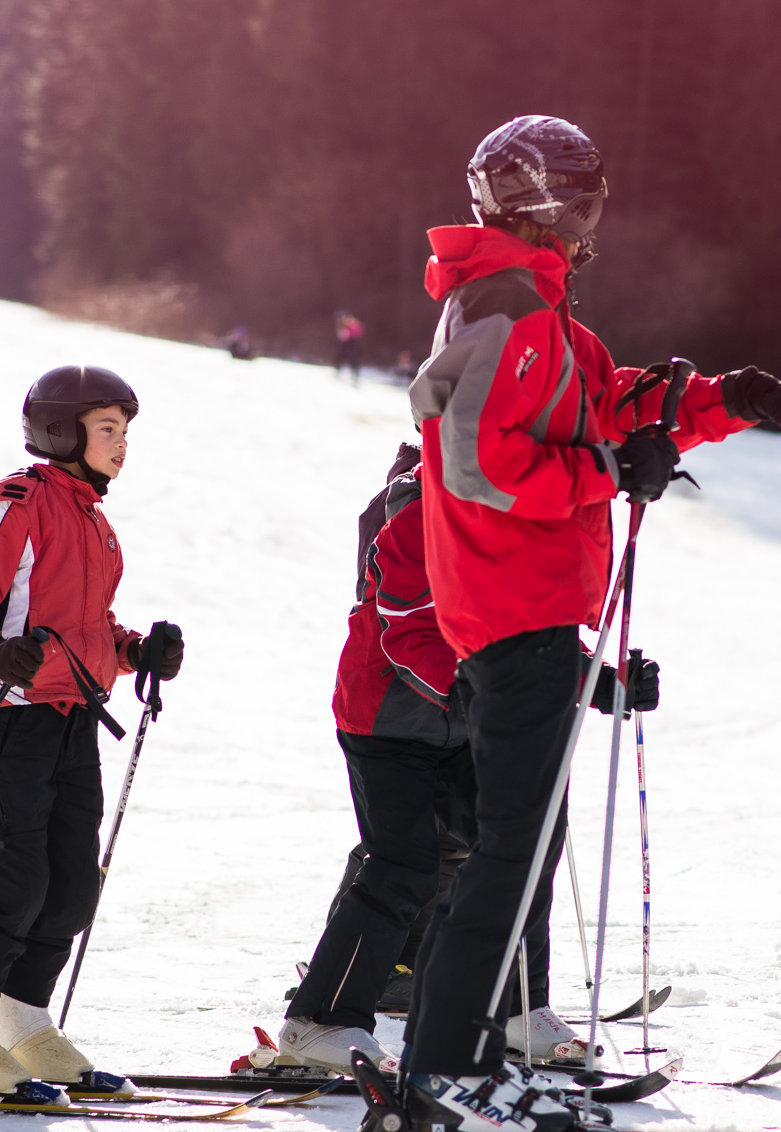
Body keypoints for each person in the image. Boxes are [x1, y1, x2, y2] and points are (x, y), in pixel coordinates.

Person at [399, 115, 781, 1132]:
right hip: (511, 604)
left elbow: (617, 403)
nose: (594, 216)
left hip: (529, 607)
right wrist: (606, 473)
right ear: (551, 203)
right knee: (510, 849)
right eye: (585, 197)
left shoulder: (544, 316)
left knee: (523, 845)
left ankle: (470, 1059)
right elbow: (474, 460)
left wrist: (745, 399)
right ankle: (447, 1074)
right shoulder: (505, 308)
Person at [278, 443, 656, 1074]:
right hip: (388, 720)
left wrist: (603, 682)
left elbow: (529, 638)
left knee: (518, 849)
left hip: (469, 721)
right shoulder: (416, 518)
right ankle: (319, 1022)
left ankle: (515, 1010)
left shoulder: (519, 522)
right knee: (404, 866)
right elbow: (406, 630)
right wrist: (479, 690)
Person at [0, 366, 184, 1096]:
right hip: (14, 713)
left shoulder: (94, 521)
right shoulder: (19, 500)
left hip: (73, 717)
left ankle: (20, 1023)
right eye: (107, 429)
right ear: (61, 432)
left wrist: (135, 652)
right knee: (15, 878)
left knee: (70, 885)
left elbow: (84, 628)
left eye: (125, 432)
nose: (122, 444)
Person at [334, 312, 366, 379]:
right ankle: (337, 370)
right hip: (346, 342)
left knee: (352, 358)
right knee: (340, 356)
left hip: (353, 342)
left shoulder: (354, 324)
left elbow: (355, 333)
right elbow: (343, 335)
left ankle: (355, 373)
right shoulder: (345, 325)